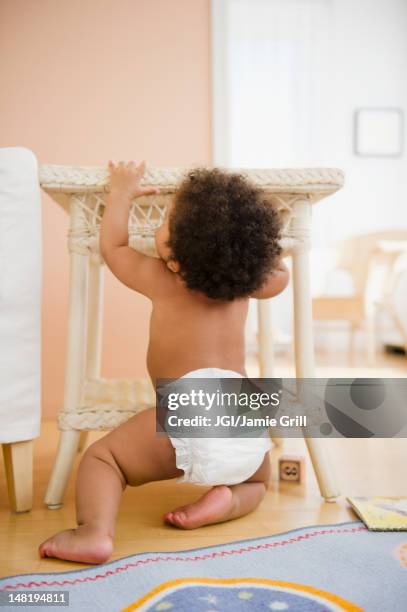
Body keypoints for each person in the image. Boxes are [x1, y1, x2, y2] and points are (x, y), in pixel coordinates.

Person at [39, 161, 289, 564]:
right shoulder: (248, 285)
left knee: (104, 460)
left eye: (165, 224)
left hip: (189, 409)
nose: (158, 230)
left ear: (174, 257)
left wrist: (120, 193)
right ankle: (227, 500)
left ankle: (94, 532)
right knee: (259, 480)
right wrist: (252, 249)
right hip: (243, 413)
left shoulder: (162, 278)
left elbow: (113, 247)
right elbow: (280, 274)